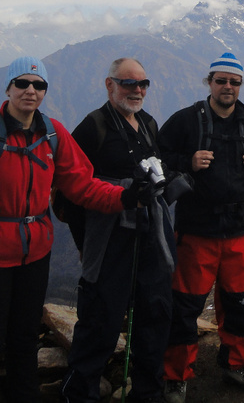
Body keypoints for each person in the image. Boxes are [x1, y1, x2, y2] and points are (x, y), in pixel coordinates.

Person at [0, 56, 150, 403]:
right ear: (9, 88)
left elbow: (83, 186)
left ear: (45, 91)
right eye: (23, 83)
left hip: (33, 254)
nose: (30, 90)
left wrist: (125, 197)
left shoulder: (53, 133)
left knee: (24, 337)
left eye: (38, 85)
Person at [158, 52, 244, 403]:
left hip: (239, 230)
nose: (228, 87)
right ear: (209, 82)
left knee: (240, 303)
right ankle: (176, 375)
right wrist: (187, 162)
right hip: (196, 232)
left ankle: (238, 364)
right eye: (221, 80)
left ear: (241, 85)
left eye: (234, 82)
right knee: (185, 306)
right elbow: (157, 159)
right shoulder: (185, 121)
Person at [61, 58, 176, 403]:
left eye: (143, 84)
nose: (137, 91)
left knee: (154, 314)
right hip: (109, 241)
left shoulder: (149, 124)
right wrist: (84, 245)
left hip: (150, 237)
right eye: (128, 84)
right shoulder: (91, 128)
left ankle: (148, 393)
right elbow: (70, 194)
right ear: (109, 85)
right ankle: (80, 394)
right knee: (101, 320)